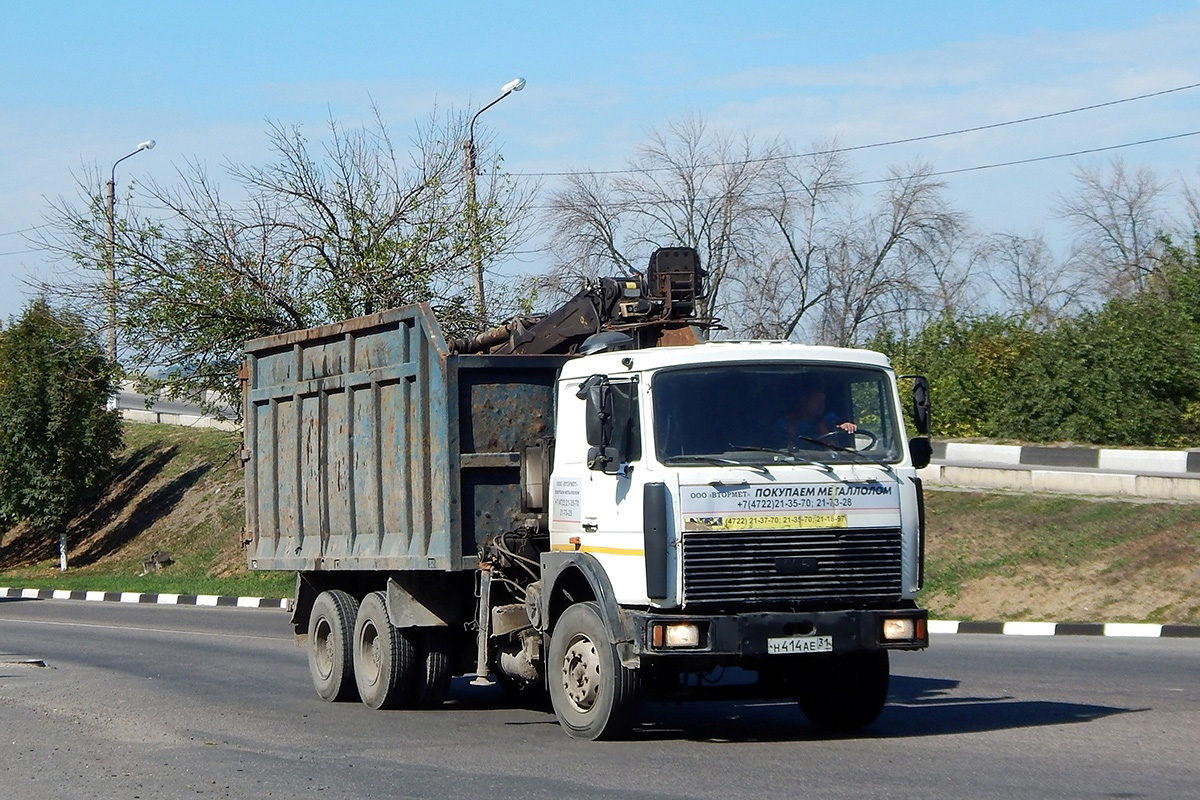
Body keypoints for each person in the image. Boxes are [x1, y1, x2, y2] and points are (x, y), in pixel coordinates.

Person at [778, 380, 856, 447]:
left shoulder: (828, 418)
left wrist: (846, 425)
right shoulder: (785, 423)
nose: (822, 405)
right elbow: (777, 447)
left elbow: (841, 424)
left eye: (823, 401)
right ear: (804, 401)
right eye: (817, 401)